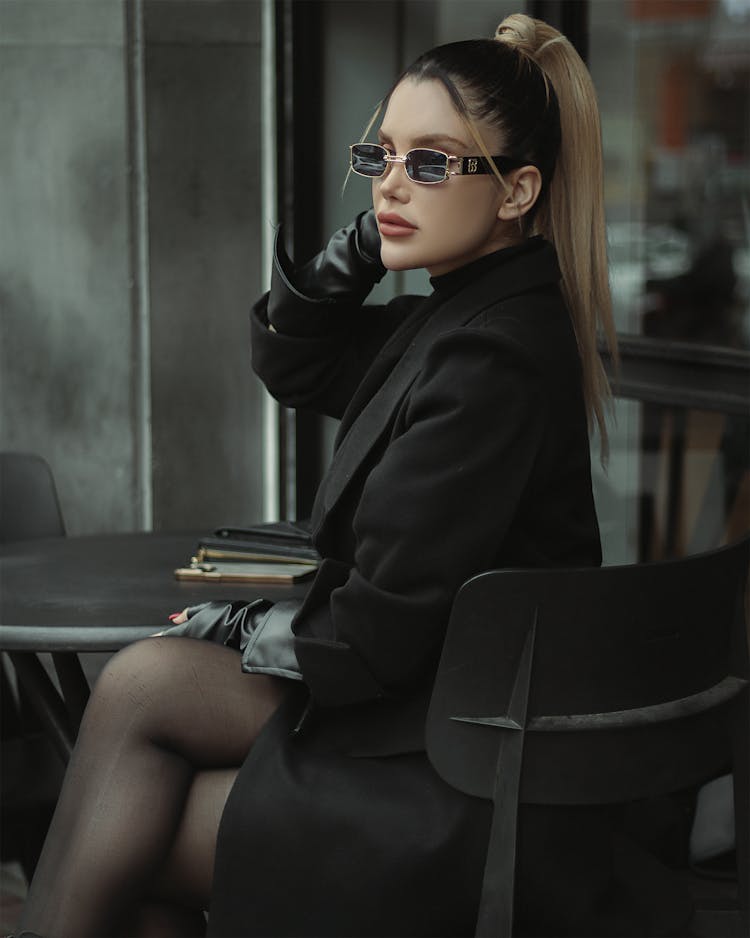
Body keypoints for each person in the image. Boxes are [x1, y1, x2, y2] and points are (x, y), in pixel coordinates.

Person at [15, 13, 689, 938]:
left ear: (517, 192)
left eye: (435, 164)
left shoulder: (491, 357)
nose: (393, 186)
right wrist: (369, 244)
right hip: (442, 724)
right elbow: (295, 364)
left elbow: (379, 634)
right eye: (382, 158)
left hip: (464, 773)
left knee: (131, 764)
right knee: (136, 750)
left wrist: (242, 621)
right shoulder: (460, 321)